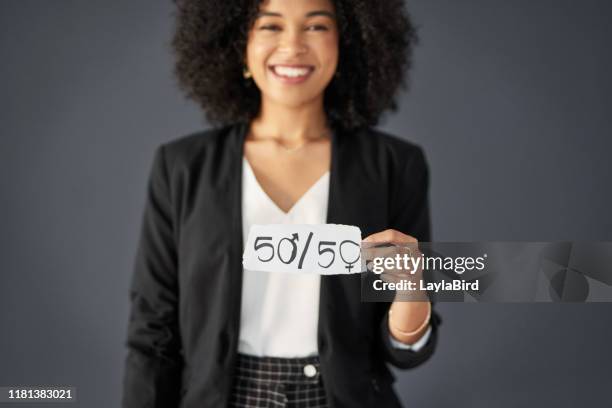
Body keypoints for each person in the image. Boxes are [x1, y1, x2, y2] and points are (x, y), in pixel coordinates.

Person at [122, 0, 441, 407]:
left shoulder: (396, 166)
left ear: (349, 41)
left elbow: (408, 351)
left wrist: (413, 290)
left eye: (317, 27)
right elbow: (153, 332)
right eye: (271, 26)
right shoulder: (182, 167)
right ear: (238, 42)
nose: (293, 46)